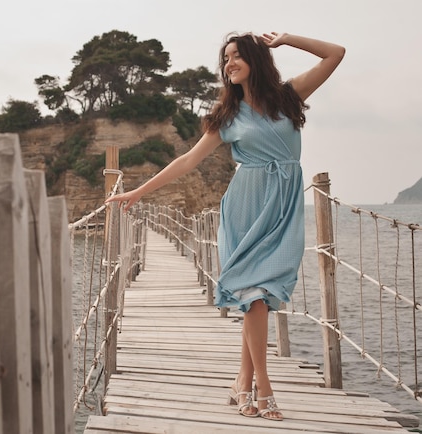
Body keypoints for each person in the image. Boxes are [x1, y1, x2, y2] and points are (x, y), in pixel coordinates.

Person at [105, 31, 345, 421]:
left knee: (263, 296)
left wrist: (285, 39)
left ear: (255, 58)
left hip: (283, 207)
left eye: (236, 56)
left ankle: (241, 382)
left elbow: (336, 52)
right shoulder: (227, 116)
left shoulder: (289, 96)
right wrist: (137, 192)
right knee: (252, 295)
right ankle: (263, 388)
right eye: (225, 59)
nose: (229, 64)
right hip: (245, 207)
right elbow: (186, 161)